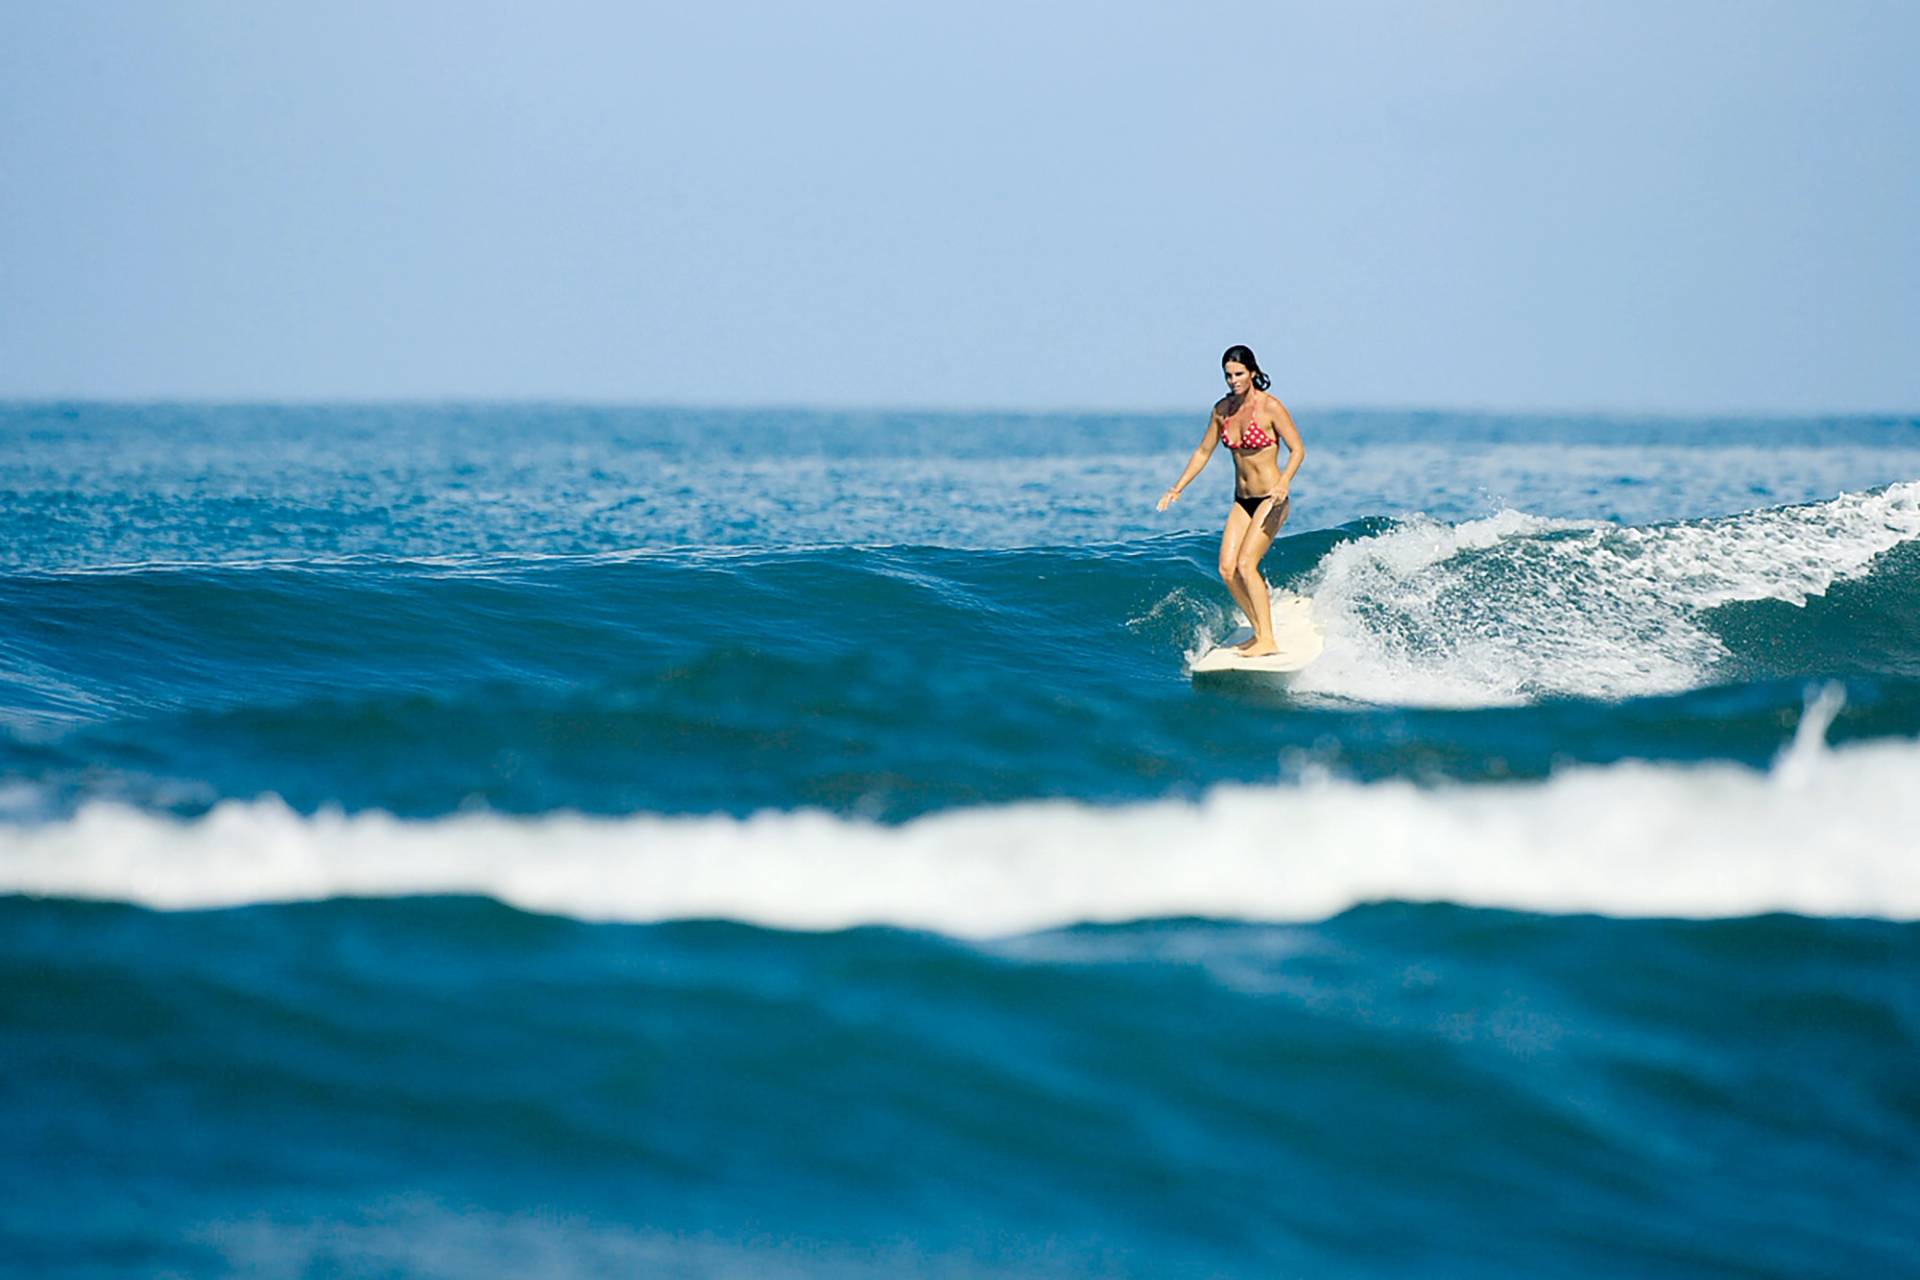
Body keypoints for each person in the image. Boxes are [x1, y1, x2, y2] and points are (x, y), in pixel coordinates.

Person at [1156, 345, 1306, 656]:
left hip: (1271, 498)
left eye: (1238, 374)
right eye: (1228, 375)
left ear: (1252, 372)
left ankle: (1268, 640)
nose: (1232, 380)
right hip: (1242, 500)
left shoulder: (1271, 407)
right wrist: (1177, 487)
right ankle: (1259, 630)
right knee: (1226, 569)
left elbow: (1298, 450)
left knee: (1246, 564)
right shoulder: (1222, 410)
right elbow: (1203, 451)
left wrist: (1283, 483)